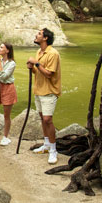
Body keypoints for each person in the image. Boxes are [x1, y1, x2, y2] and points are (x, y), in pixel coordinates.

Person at [27, 28, 62, 164]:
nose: (36, 35)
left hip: (49, 91)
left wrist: (36, 63)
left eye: (39, 34)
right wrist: (32, 68)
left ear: (45, 38)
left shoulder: (53, 53)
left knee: (48, 119)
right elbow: (39, 72)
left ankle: (53, 150)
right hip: (39, 90)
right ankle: (46, 144)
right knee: (42, 118)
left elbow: (49, 74)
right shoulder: (39, 52)